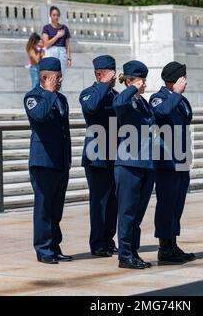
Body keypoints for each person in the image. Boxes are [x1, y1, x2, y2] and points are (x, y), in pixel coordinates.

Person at [23, 57, 72, 264]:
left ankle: (54, 245)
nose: (60, 81)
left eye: (60, 77)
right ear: (45, 77)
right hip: (42, 162)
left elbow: (64, 132)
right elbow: (40, 116)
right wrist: (50, 92)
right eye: (56, 77)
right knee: (43, 208)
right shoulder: (32, 97)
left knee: (56, 209)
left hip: (60, 161)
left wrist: (67, 158)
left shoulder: (61, 99)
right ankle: (43, 249)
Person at [150, 62, 195, 263]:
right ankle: (164, 246)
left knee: (178, 204)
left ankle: (173, 243)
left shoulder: (182, 100)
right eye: (182, 77)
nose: (185, 80)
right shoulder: (157, 98)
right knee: (166, 203)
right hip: (166, 161)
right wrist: (176, 93)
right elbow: (162, 113)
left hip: (182, 159)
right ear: (175, 79)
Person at [113, 60, 155, 269]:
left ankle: (133, 252)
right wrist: (131, 89)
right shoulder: (125, 101)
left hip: (146, 164)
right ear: (130, 81)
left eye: (144, 80)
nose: (144, 84)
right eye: (140, 80)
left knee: (137, 215)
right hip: (129, 164)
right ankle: (125, 255)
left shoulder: (142, 103)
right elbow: (118, 104)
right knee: (127, 213)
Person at [79, 55, 119, 257]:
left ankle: (108, 239)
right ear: (98, 74)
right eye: (109, 74)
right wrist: (104, 84)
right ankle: (97, 242)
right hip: (96, 157)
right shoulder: (89, 93)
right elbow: (92, 107)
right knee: (99, 202)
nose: (113, 78)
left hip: (115, 155)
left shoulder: (114, 95)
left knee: (113, 202)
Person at [42, 6, 72, 80]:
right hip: (51, 51)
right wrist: (57, 36)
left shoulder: (64, 28)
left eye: (57, 15)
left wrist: (68, 58)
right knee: (51, 74)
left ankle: (59, 91)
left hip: (62, 52)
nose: (56, 17)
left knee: (61, 75)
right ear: (50, 16)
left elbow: (67, 44)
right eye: (54, 15)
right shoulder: (46, 28)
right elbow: (46, 44)